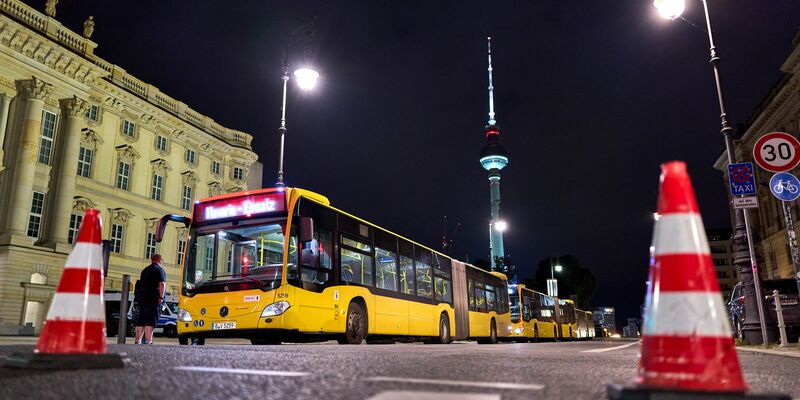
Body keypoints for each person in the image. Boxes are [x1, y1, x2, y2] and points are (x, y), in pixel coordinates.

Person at [135, 254, 166, 344]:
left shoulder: (145, 270)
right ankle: (148, 341)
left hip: (143, 297)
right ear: (160, 260)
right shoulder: (159, 270)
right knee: (151, 320)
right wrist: (161, 297)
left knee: (141, 319)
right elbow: (162, 284)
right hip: (153, 298)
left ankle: (138, 341)